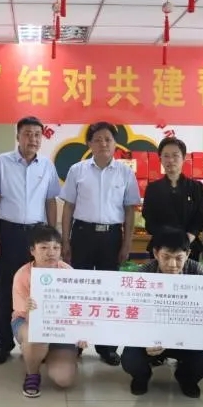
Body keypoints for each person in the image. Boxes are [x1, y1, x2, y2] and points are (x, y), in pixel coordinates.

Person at [60, 122, 141, 366]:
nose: (103, 143)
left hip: (111, 237)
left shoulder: (125, 172)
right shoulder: (77, 170)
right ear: (89, 144)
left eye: (108, 139)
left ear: (115, 143)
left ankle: (107, 348)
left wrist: (127, 243)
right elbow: (68, 207)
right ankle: (76, 344)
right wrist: (65, 240)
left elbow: (129, 210)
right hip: (82, 234)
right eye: (97, 139)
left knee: (109, 293)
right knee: (79, 291)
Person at [0, 116, 60, 365]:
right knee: (8, 290)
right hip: (8, 233)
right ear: (18, 136)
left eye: (37, 134)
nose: (33, 139)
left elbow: (50, 202)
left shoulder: (47, 166)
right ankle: (4, 344)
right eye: (27, 133)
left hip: (37, 234)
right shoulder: (1, 162)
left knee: (39, 291)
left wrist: (52, 239)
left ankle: (38, 343)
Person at [121, 229, 203, 398]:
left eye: (179, 258)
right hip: (151, 340)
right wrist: (144, 339)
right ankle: (142, 377)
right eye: (166, 257)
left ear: (188, 254)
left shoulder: (197, 271)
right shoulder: (144, 274)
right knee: (130, 360)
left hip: (186, 338)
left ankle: (186, 377)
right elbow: (134, 311)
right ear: (155, 253)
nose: (172, 264)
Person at [11, 225, 84, 398]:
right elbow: (24, 314)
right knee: (35, 335)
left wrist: (81, 333)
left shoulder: (68, 272)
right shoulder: (22, 275)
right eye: (44, 247)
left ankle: (50, 353)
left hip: (62, 327)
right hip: (27, 322)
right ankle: (32, 372)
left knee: (64, 379)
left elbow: (79, 308)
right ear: (32, 250)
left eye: (56, 248)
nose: (51, 253)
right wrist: (31, 310)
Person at [141, 137, 203, 258]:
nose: (170, 160)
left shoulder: (196, 187)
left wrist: (186, 239)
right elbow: (149, 219)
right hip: (161, 249)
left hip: (189, 247)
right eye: (166, 156)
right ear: (160, 159)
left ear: (183, 158)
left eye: (175, 155)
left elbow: (201, 218)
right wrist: (167, 242)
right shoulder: (153, 189)